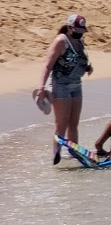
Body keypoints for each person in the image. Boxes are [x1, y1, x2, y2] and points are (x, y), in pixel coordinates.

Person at [34, 13, 92, 160]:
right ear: (69, 27)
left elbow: (78, 59)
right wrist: (41, 86)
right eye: (77, 31)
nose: (80, 34)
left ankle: (74, 155)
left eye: (81, 31)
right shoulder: (61, 41)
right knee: (61, 124)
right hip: (61, 86)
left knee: (74, 123)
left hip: (76, 85)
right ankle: (56, 155)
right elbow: (48, 65)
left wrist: (87, 68)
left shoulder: (80, 41)